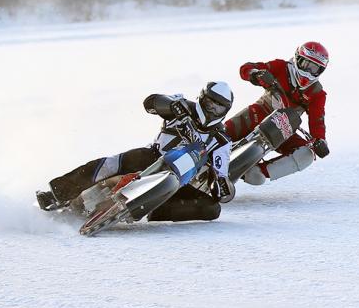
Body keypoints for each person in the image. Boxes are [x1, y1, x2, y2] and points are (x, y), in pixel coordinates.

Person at [36, 81, 235, 222]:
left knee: (211, 209)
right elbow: (150, 103)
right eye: (210, 104)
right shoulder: (182, 105)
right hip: (152, 157)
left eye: (218, 108)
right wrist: (169, 105)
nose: (212, 110)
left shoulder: (221, 141)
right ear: (202, 98)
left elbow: (220, 176)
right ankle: (56, 194)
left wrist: (222, 186)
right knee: (111, 163)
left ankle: (155, 211)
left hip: (177, 181)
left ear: (225, 111)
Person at [225, 41, 330, 186]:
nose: (309, 72)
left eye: (315, 68)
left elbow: (317, 121)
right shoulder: (280, 67)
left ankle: (258, 171)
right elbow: (246, 68)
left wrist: (320, 141)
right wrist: (256, 74)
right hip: (257, 114)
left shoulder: (317, 94)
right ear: (297, 59)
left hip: (283, 129)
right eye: (307, 65)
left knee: (306, 154)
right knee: (220, 136)